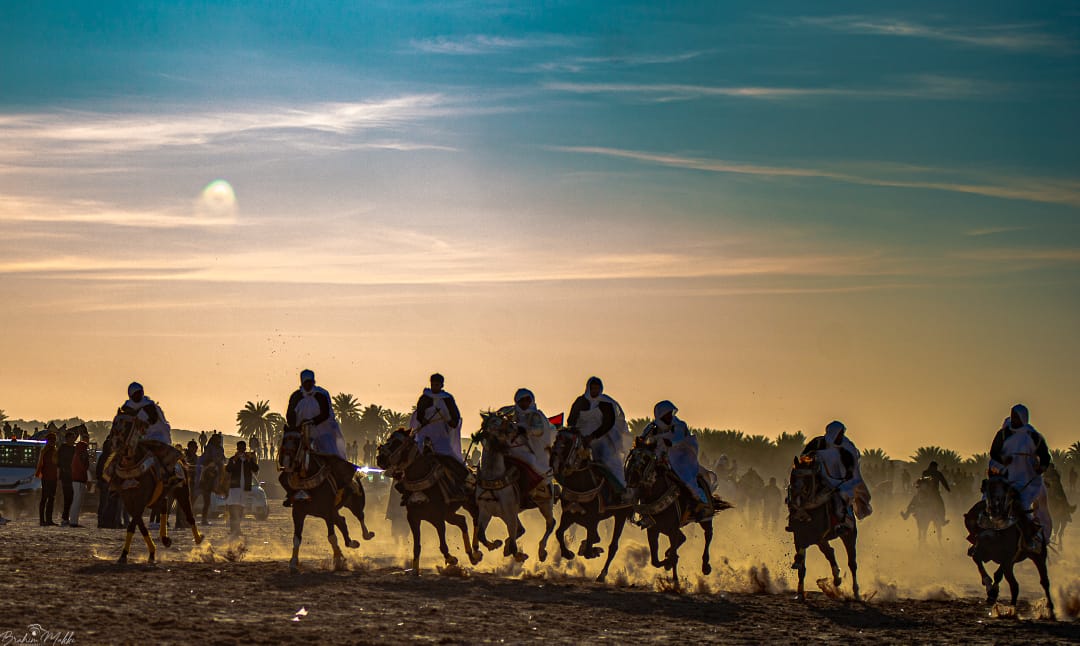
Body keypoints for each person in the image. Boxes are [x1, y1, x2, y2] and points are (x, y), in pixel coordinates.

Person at [281, 369, 354, 505]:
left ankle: (342, 488)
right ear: (302, 382)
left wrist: (312, 422)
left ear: (313, 382)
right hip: (302, 433)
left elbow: (326, 413)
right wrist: (295, 426)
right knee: (290, 459)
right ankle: (291, 493)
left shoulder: (321, 394)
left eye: (310, 382)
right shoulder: (296, 396)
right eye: (306, 382)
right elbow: (290, 414)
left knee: (331, 457)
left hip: (324, 432)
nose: (308, 385)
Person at [988, 403, 1052, 552]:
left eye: (1016, 416)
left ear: (1023, 417)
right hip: (1006, 474)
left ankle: (1030, 537)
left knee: (1022, 504)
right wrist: (1003, 461)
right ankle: (982, 534)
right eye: (1012, 415)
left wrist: (1041, 467)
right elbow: (994, 452)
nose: (1013, 418)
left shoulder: (1032, 435)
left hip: (1027, 475)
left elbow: (1044, 455)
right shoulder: (1003, 434)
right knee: (989, 499)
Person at [640, 401, 710, 519]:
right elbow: (644, 439)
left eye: (670, 413)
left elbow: (678, 438)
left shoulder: (679, 425)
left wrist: (671, 442)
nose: (669, 416)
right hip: (658, 457)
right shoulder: (652, 427)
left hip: (680, 456)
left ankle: (699, 503)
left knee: (686, 478)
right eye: (666, 414)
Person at [799, 420, 872, 531]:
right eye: (840, 433)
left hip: (839, 481)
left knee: (842, 497)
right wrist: (811, 457)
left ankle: (843, 522)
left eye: (842, 433)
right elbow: (803, 456)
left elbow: (851, 465)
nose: (841, 436)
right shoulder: (818, 442)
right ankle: (795, 515)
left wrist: (848, 473)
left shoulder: (846, 447)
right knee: (798, 490)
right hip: (817, 476)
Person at [567, 376, 630, 500]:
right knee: (567, 459)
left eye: (597, 388)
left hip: (601, 439)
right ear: (588, 388)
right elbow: (571, 420)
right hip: (581, 439)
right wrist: (578, 435)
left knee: (610, 461)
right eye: (592, 388)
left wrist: (593, 437)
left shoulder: (606, 403)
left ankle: (620, 491)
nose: (594, 390)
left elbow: (608, 423)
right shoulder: (580, 401)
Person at [407, 373, 469, 497]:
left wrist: (452, 422)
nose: (435, 386)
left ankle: (462, 483)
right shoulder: (425, 397)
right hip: (424, 431)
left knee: (448, 455)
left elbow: (455, 416)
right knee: (413, 455)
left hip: (440, 433)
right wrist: (423, 419)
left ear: (441, 385)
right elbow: (419, 413)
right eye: (433, 384)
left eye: (437, 384)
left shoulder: (447, 399)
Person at [118, 382, 182, 486]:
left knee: (161, 454)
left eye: (140, 393)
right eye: (136, 393)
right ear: (131, 395)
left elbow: (150, 421)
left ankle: (171, 475)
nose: (139, 395)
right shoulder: (127, 407)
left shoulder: (149, 407)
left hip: (156, 435)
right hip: (137, 438)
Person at [499, 388, 556, 495]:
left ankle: (527, 491)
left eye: (527, 400)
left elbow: (539, 430)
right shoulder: (509, 411)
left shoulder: (536, 415)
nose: (524, 403)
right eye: (522, 400)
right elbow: (498, 419)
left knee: (530, 460)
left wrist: (524, 429)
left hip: (529, 447)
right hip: (510, 445)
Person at [225, 440, 259, 536]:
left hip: (245, 488)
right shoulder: (233, 459)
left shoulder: (249, 459)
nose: (242, 450)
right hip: (234, 488)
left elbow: (256, 469)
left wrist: (249, 460)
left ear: (245, 449)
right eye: (240, 448)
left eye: (243, 448)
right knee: (233, 508)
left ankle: (238, 529)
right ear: (237, 449)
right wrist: (235, 460)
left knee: (240, 508)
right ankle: (233, 529)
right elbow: (228, 469)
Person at [68, 429, 90, 528]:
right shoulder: (80, 456)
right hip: (79, 481)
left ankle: (74, 521)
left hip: (77, 480)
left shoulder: (76, 455)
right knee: (76, 501)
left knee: (76, 501)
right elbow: (83, 468)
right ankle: (73, 521)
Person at [36, 432, 59, 526]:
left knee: (51, 499)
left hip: (53, 478)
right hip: (46, 478)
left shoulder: (55, 451)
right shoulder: (44, 452)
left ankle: (49, 520)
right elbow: (41, 465)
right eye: (51, 440)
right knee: (44, 498)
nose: (52, 442)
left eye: (53, 440)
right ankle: (42, 520)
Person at [58, 430, 76, 526]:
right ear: (67, 438)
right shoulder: (63, 448)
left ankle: (68, 517)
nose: (73, 439)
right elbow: (59, 463)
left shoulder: (74, 449)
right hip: (65, 476)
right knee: (67, 497)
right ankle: (65, 517)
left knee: (72, 497)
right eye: (72, 438)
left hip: (73, 476)